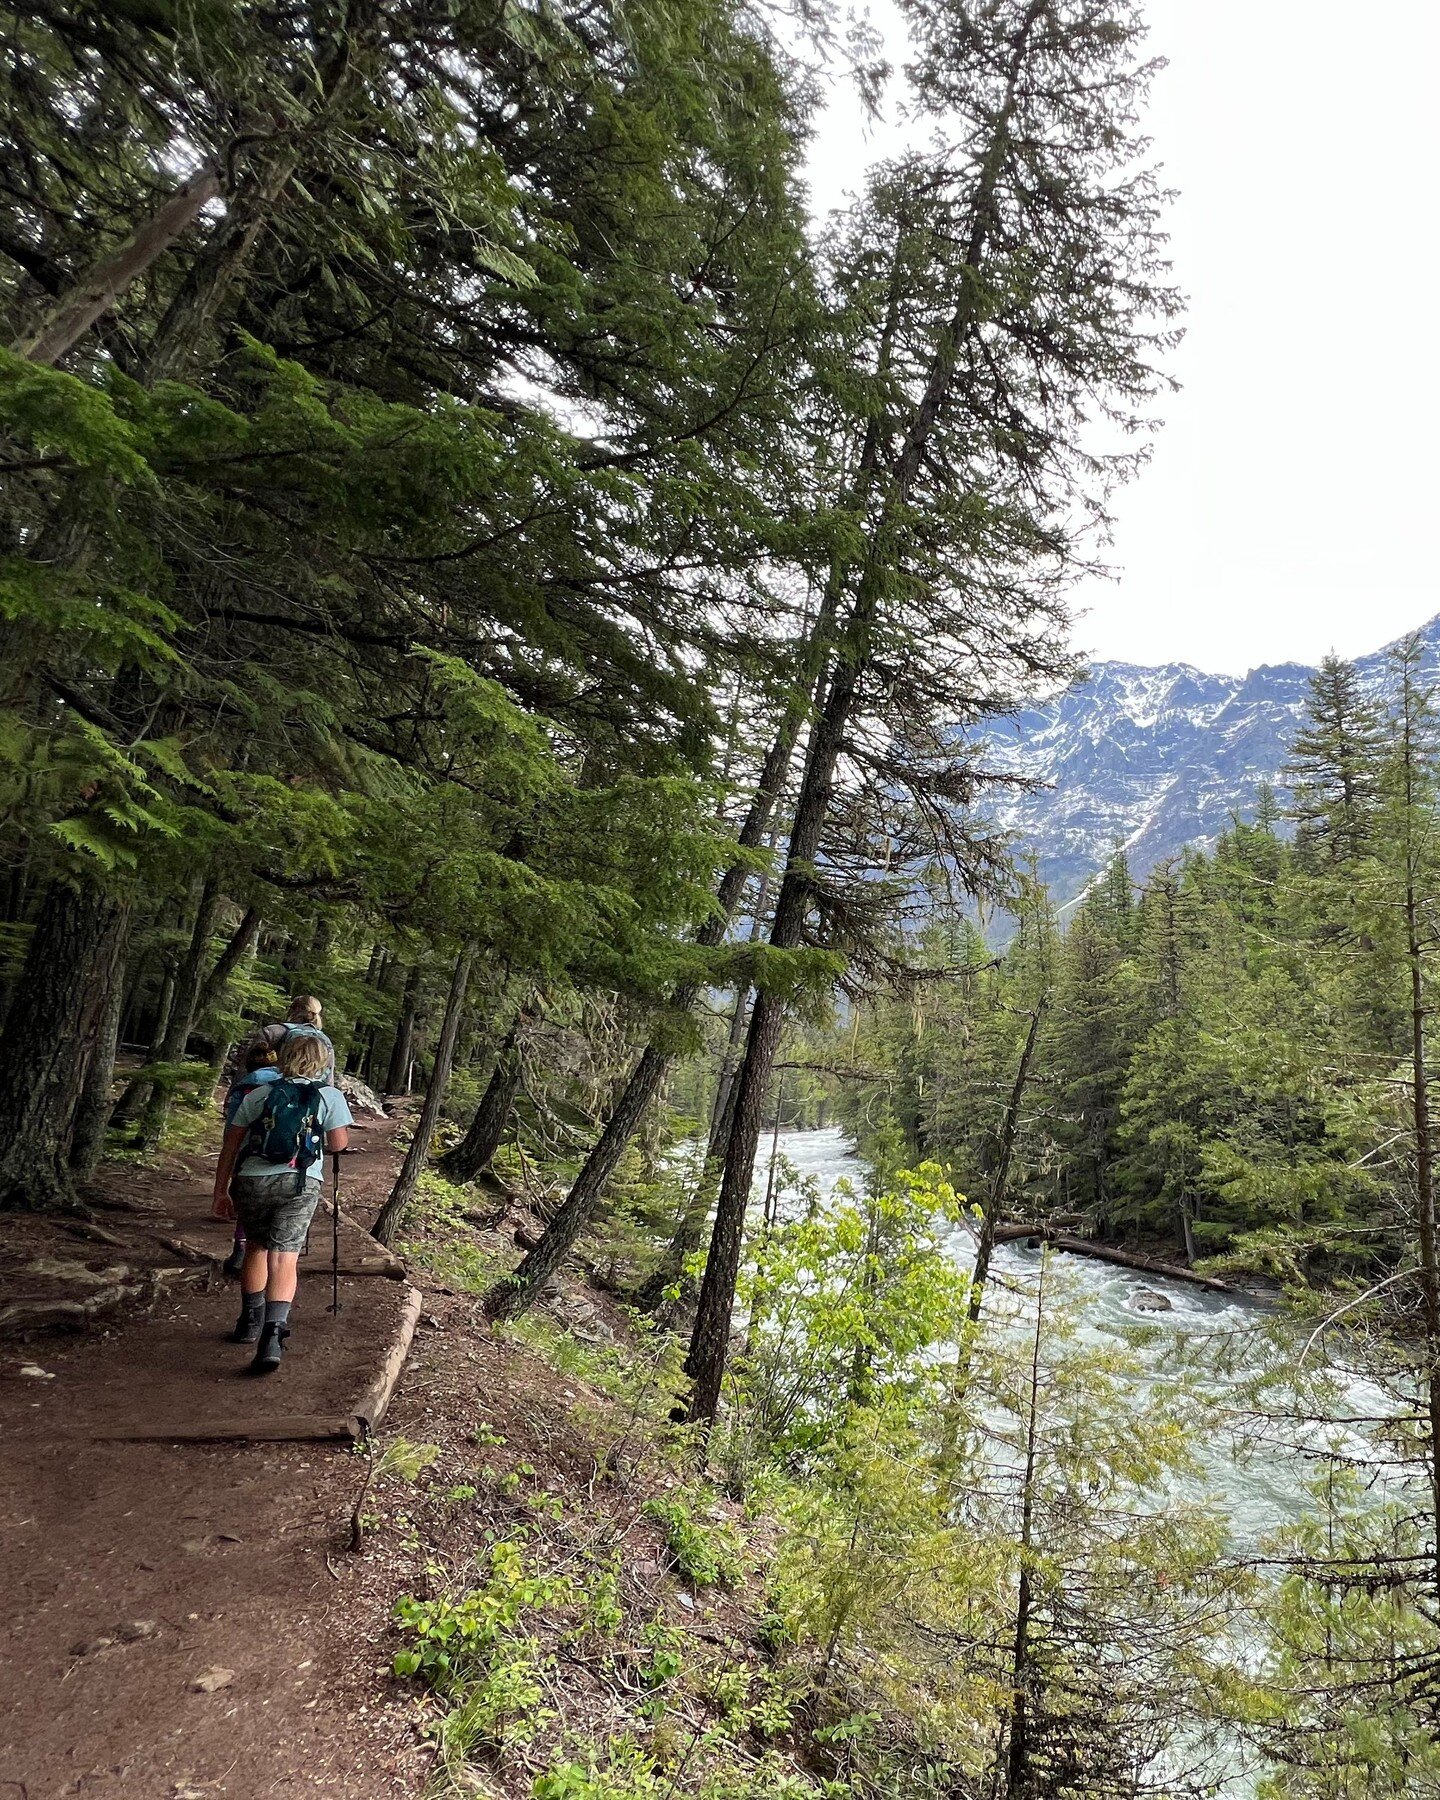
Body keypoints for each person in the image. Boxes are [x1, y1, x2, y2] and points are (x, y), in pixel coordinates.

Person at [212, 1031, 352, 1375]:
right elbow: (338, 1144)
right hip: (300, 1183)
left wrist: (220, 1192)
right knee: (285, 1257)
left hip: (251, 1181)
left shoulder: (258, 1093)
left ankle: (249, 1321)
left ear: (284, 1058)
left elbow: (230, 1146)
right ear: (322, 1062)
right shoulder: (329, 1096)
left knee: (256, 1248)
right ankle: (272, 1338)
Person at [219, 1042, 281, 1279]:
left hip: (246, 1154)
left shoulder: (244, 1087)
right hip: (277, 1153)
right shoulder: (282, 1083)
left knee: (247, 1206)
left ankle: (240, 1251)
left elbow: (232, 1130)